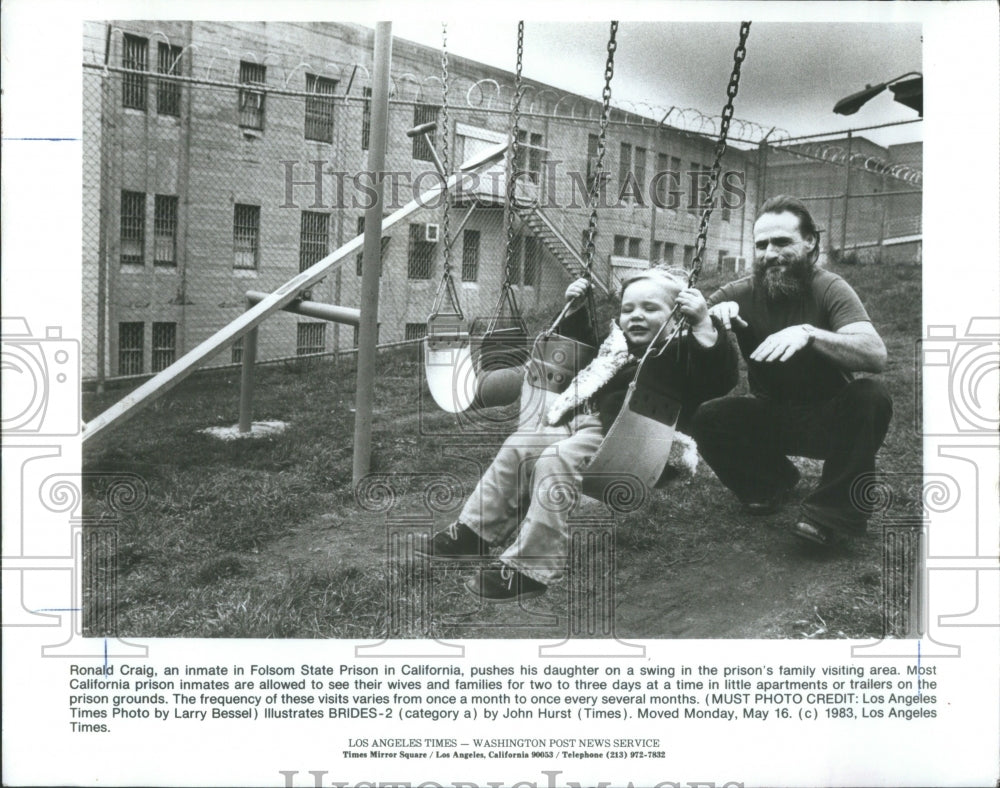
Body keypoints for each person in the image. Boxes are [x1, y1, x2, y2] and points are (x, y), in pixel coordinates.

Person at [416, 266, 737, 602]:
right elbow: (582, 353)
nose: (636, 317)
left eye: (651, 309)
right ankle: (474, 533)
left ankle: (532, 568)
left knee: (554, 463)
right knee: (520, 446)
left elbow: (720, 376)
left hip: (636, 436)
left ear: (677, 316)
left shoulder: (682, 352)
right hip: (585, 424)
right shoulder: (617, 346)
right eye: (628, 310)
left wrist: (703, 325)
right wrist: (575, 310)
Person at [692, 195, 892, 547]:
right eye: (762, 244)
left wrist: (809, 334)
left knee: (871, 395)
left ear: (810, 241)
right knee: (709, 416)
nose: (770, 253)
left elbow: (875, 354)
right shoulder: (738, 293)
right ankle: (770, 484)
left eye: (782, 242)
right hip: (772, 416)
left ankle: (830, 515)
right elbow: (686, 341)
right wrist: (704, 323)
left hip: (830, 420)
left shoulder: (829, 287)